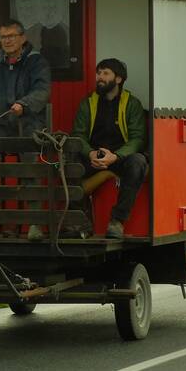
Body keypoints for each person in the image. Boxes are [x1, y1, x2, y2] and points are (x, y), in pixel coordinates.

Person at [0, 19, 51, 240]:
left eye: (11, 36)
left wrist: (23, 105)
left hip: (30, 126)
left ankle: (34, 223)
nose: (7, 41)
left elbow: (42, 91)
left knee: (29, 163)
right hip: (1, 128)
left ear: (23, 38)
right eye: (3, 37)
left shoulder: (36, 62)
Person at [72, 58, 148, 239]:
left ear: (119, 79)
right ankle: (78, 223)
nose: (100, 77)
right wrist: (90, 153)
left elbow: (138, 138)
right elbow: (78, 135)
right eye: (98, 73)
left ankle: (117, 221)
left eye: (106, 73)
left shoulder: (132, 104)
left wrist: (115, 156)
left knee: (138, 162)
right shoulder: (87, 103)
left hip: (120, 159)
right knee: (66, 161)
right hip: (94, 158)